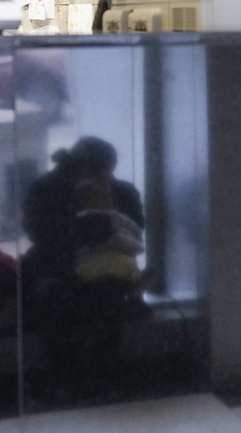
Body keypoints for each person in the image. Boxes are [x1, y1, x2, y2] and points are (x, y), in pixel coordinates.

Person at [21, 136, 147, 402]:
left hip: (100, 268)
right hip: (58, 267)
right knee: (55, 297)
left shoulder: (121, 192)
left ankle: (98, 374)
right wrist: (89, 226)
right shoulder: (45, 189)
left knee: (107, 293)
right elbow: (40, 235)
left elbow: (136, 229)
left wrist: (105, 213)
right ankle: (68, 377)